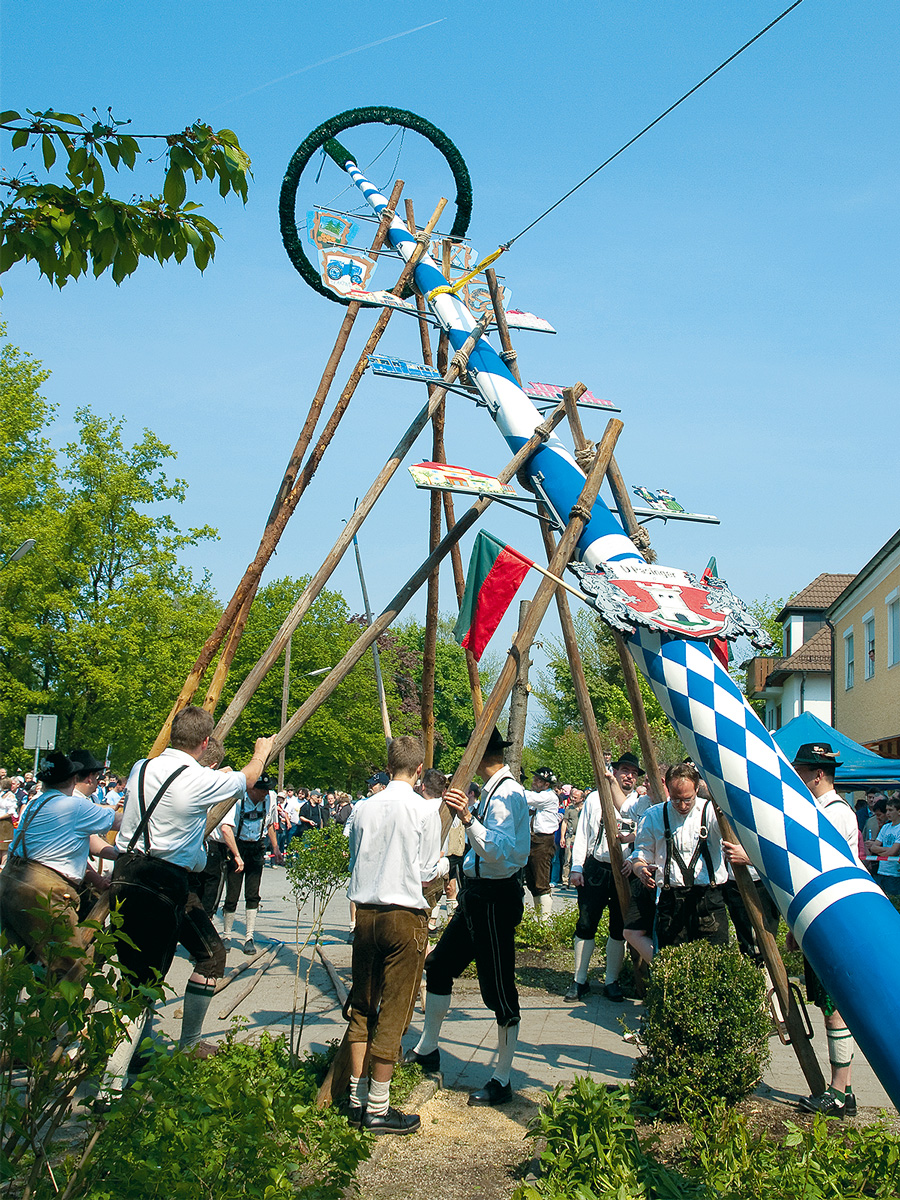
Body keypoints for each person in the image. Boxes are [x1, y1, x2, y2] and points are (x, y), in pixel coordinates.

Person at [102, 707, 273, 1097]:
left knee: (210, 954)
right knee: (142, 985)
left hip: (129, 874)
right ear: (204, 742)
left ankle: (180, 1046)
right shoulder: (196, 779)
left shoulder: (141, 767)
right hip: (162, 882)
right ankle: (109, 1089)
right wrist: (261, 751)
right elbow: (247, 778)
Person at [405, 728, 530, 1107]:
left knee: (498, 989)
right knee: (440, 965)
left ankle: (502, 1078)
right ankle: (428, 1049)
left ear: (479, 756)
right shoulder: (494, 789)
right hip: (477, 896)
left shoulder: (507, 793)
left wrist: (467, 817)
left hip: (495, 898)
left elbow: (499, 850)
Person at [345, 735, 441, 1135]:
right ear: (419, 770)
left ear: (387, 767)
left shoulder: (363, 808)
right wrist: (443, 869)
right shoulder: (424, 810)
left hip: (366, 914)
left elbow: (355, 859)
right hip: (404, 916)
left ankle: (355, 1098)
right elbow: (427, 872)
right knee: (395, 1010)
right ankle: (378, 1107)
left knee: (362, 1004)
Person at [790, 743, 863, 1117]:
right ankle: (845, 1091)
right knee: (829, 1006)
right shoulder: (827, 810)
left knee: (835, 1008)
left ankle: (836, 1092)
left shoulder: (833, 814)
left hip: (833, 917)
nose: (797, 777)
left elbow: (815, 867)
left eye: (802, 772)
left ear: (818, 774)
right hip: (826, 917)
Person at [0, 751, 120, 978]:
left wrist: (98, 876)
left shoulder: (35, 803)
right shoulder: (74, 806)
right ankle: (56, 1003)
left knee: (14, 965)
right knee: (69, 968)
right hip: (42, 890)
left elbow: (74, 846)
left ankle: (13, 1002)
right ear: (74, 778)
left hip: (9, 882)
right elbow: (120, 822)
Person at [565, 757, 650, 1003]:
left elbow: (645, 838)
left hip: (625, 871)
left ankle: (611, 981)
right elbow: (583, 834)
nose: (629, 776)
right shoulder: (594, 798)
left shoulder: (639, 804)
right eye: (625, 770)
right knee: (586, 923)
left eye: (634, 773)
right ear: (615, 772)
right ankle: (579, 980)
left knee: (619, 928)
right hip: (596, 867)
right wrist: (576, 868)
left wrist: (634, 859)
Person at [629, 761, 727, 958]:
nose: (682, 805)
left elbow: (735, 839)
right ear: (668, 789)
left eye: (688, 799)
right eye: (675, 799)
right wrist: (640, 870)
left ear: (697, 789)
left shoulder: (712, 812)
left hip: (708, 899)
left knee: (714, 963)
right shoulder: (653, 816)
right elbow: (640, 855)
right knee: (671, 963)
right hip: (671, 901)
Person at [222, 773, 282, 953]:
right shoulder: (238, 800)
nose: (266, 793)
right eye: (262, 790)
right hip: (238, 846)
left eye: (267, 790)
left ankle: (249, 936)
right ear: (252, 789)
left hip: (256, 847)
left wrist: (275, 847)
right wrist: (236, 855)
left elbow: (270, 824)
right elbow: (227, 829)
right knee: (232, 894)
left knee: (253, 894)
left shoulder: (268, 800)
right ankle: (227, 935)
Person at [524, 766, 559, 921]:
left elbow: (528, 797)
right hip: (531, 839)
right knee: (532, 881)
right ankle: (539, 919)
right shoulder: (538, 797)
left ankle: (545, 921)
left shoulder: (548, 796)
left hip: (543, 840)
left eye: (538, 780)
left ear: (547, 784)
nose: (534, 781)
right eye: (535, 778)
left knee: (541, 881)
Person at [866, 797, 900, 897]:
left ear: (899, 811)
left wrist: (883, 851)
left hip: (894, 874)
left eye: (891, 810)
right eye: (887, 810)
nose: (888, 813)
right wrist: (887, 850)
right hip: (881, 871)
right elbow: (873, 848)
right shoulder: (885, 827)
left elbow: (892, 852)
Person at [561, 787, 584, 886]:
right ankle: (565, 880)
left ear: (581, 799)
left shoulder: (585, 808)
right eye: (572, 797)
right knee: (567, 859)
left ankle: (578, 880)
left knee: (579, 859)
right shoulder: (569, 808)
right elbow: (564, 822)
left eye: (575, 797)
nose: (573, 799)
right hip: (570, 836)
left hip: (581, 837)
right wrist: (562, 837)